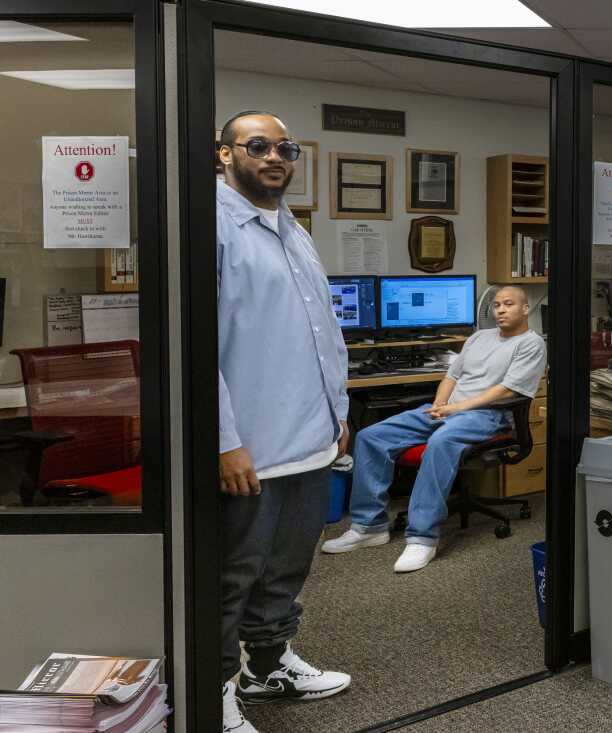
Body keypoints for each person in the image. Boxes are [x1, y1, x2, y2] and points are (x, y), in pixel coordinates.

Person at [216, 111, 352, 733]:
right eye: (259, 145)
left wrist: (338, 415)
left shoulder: (292, 229)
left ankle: (267, 665)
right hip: (252, 446)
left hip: (310, 439)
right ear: (225, 155)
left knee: (288, 565)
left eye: (286, 148)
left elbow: (323, 331)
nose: (275, 156)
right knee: (233, 573)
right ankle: (211, 688)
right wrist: (223, 442)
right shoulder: (214, 227)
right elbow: (196, 351)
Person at [322, 286, 547, 572]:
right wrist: (440, 404)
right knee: (371, 436)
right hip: (449, 410)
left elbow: (505, 391)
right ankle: (369, 526)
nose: (500, 310)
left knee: (441, 441)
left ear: (525, 309)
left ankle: (422, 537)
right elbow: (451, 376)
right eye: (497, 305)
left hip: (488, 416)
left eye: (509, 304)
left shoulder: (531, 344)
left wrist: (455, 409)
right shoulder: (478, 337)